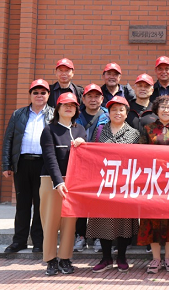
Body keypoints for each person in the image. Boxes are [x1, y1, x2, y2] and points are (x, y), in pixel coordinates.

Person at [87, 96, 141, 273]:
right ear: (108, 113)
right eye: (114, 110)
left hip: (125, 183)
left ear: (126, 113)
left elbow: (139, 159)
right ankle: (106, 258)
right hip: (104, 182)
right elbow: (92, 153)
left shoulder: (134, 133)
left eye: (121, 110)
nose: (117, 113)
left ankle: (122, 257)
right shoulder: (100, 131)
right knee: (103, 220)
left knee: (124, 221)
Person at [1, 79, 54, 254]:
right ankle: (19, 241)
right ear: (30, 95)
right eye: (35, 92)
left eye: (43, 92)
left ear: (48, 95)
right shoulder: (18, 114)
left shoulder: (54, 115)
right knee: (22, 204)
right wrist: (6, 164)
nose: (39, 95)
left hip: (43, 164)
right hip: (22, 163)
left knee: (41, 204)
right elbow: (8, 140)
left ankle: (39, 241)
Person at [137, 95, 169, 274]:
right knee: (152, 219)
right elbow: (140, 154)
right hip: (153, 182)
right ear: (156, 110)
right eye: (163, 107)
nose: (166, 110)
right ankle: (156, 258)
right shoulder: (148, 129)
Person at [39, 92, 87, 276]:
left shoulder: (80, 130)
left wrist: (83, 144)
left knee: (69, 223)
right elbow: (50, 158)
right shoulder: (49, 130)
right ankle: (50, 260)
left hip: (73, 182)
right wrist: (58, 182)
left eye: (72, 105)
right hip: (51, 181)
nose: (69, 108)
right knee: (50, 222)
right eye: (65, 105)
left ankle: (65, 258)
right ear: (57, 108)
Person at [73, 83, 109, 253]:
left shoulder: (108, 116)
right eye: (89, 96)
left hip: (101, 165)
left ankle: (97, 237)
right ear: (83, 98)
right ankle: (80, 235)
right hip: (80, 165)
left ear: (102, 99)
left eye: (96, 96)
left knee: (99, 201)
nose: (93, 100)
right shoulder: (75, 116)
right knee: (80, 201)